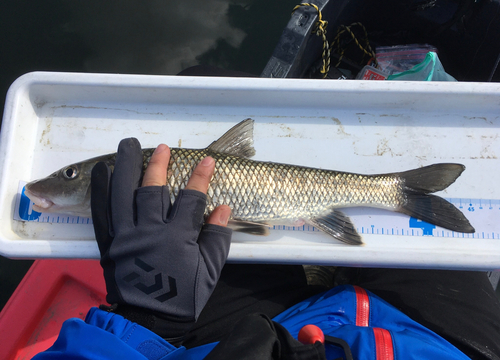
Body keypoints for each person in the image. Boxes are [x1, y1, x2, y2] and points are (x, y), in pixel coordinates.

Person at [32, 137, 500, 360]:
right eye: (71, 175)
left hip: (229, 338)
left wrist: (142, 320)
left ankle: (393, 193)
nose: (63, 182)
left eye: (72, 174)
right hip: (440, 344)